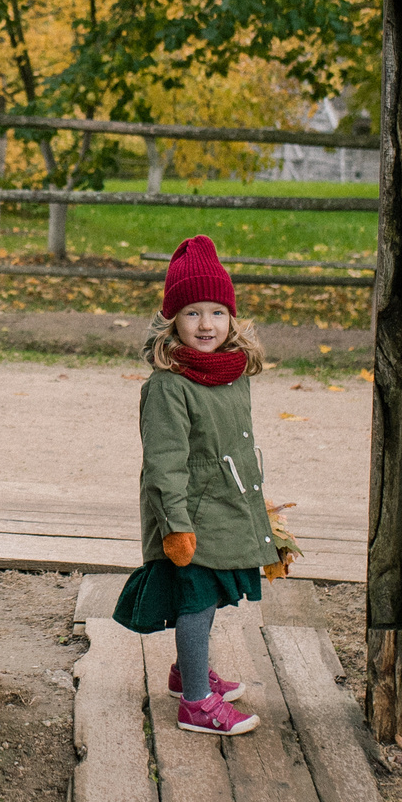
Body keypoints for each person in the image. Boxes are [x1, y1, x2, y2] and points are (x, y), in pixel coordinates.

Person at [113, 233, 278, 735]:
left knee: (211, 598)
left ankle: (188, 673)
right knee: (196, 599)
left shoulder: (232, 375)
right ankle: (197, 703)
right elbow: (165, 466)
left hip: (226, 507)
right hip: (188, 517)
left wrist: (258, 511)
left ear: (232, 319)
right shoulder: (168, 386)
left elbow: (235, 449)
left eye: (216, 312)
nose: (205, 324)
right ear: (171, 321)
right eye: (191, 313)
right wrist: (176, 527)